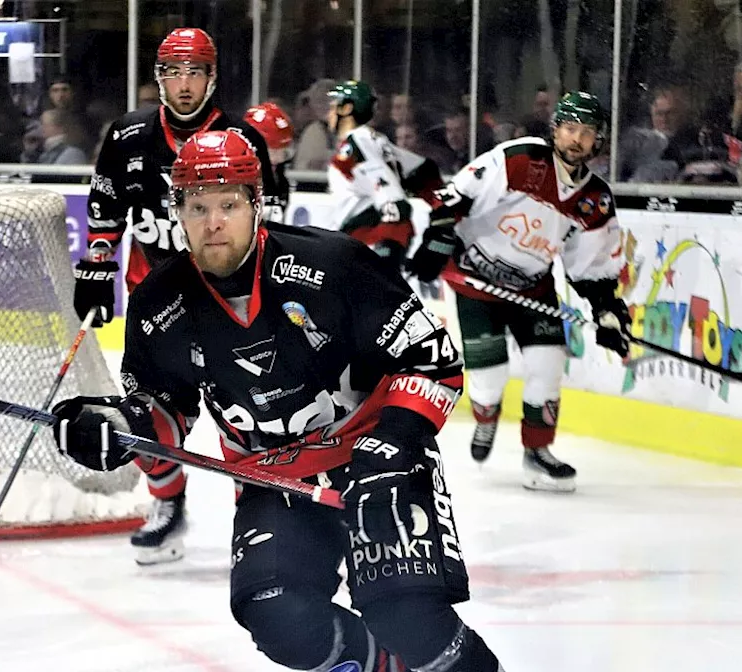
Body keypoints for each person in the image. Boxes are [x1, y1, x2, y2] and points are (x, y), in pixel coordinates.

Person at [54, 130, 504, 672]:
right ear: (176, 210)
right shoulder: (159, 302)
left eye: (227, 204)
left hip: (374, 464)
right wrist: (116, 425)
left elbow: (431, 361)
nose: (212, 222)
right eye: (196, 206)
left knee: (409, 619)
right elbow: (164, 409)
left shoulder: (335, 266)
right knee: (275, 614)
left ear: (255, 205)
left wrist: (394, 439)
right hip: (272, 480)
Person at [74, 27, 275, 565]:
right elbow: (104, 209)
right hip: (156, 306)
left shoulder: (243, 139)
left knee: (249, 424)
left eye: (195, 72)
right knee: (142, 419)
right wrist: (96, 265)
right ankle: (168, 508)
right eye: (172, 72)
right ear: (158, 77)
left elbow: (267, 221)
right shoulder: (128, 136)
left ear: (213, 77)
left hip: (231, 307)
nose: (184, 85)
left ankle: (256, 527)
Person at [408, 91, 628, 492]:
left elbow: (593, 269)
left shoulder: (595, 200)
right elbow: (456, 197)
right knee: (489, 380)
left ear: (599, 139)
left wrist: (608, 311)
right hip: (477, 280)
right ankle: (487, 414)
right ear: (555, 129)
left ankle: (538, 454)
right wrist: (438, 242)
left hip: (533, 286)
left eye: (587, 132)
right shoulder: (520, 160)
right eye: (569, 128)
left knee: (547, 366)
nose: (576, 139)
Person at [325, 80, 442, 270]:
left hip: (361, 245)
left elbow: (393, 202)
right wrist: (443, 215)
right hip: (363, 242)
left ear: (346, 109)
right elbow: (424, 170)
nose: (328, 114)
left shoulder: (357, 143)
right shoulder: (376, 140)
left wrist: (387, 248)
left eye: (333, 107)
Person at [243, 101, 293, 224]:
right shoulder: (237, 182)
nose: (278, 159)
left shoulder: (281, 181)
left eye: (282, 151)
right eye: (272, 150)